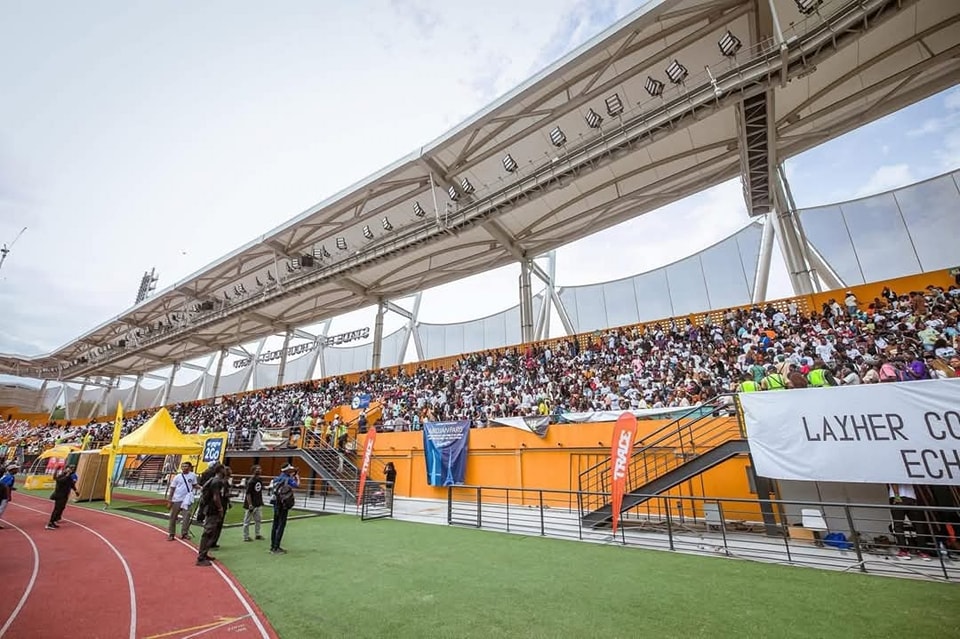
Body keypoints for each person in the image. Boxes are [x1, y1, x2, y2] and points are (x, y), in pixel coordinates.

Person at [197, 465, 226, 566]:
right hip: (212, 509)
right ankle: (201, 557)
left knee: (211, 532)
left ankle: (204, 553)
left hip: (209, 508)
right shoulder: (217, 481)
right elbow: (216, 497)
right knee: (208, 532)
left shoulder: (212, 480)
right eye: (224, 469)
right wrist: (220, 508)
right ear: (220, 470)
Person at [269, 463, 299, 555]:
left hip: (276, 503)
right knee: (281, 525)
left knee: (275, 525)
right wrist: (297, 478)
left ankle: (273, 545)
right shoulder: (288, 479)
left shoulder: (276, 479)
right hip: (283, 504)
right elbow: (297, 485)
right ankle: (276, 547)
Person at [166, 461, 198, 541]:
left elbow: (194, 485)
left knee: (186, 517)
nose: (184, 468)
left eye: (186, 466)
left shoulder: (193, 475)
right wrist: (170, 500)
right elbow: (172, 488)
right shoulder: (177, 477)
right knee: (173, 517)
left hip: (187, 500)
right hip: (177, 499)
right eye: (183, 466)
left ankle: (184, 533)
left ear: (190, 467)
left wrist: (201, 488)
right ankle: (171, 534)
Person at [46, 465, 79, 530]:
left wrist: (76, 491)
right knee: (57, 509)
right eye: (69, 469)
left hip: (64, 495)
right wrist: (58, 471)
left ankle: (55, 520)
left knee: (61, 508)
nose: (70, 470)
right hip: (59, 495)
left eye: (72, 469)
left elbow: (72, 484)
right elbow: (60, 480)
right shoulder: (62, 476)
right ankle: (50, 523)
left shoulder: (69, 477)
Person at [242, 465, 265, 542]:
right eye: (257, 469)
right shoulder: (251, 481)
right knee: (247, 521)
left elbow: (259, 491)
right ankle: (246, 536)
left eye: (260, 469)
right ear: (253, 471)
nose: (259, 470)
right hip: (251, 504)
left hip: (258, 503)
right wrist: (250, 504)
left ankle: (257, 534)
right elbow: (248, 493)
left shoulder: (260, 480)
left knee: (258, 520)